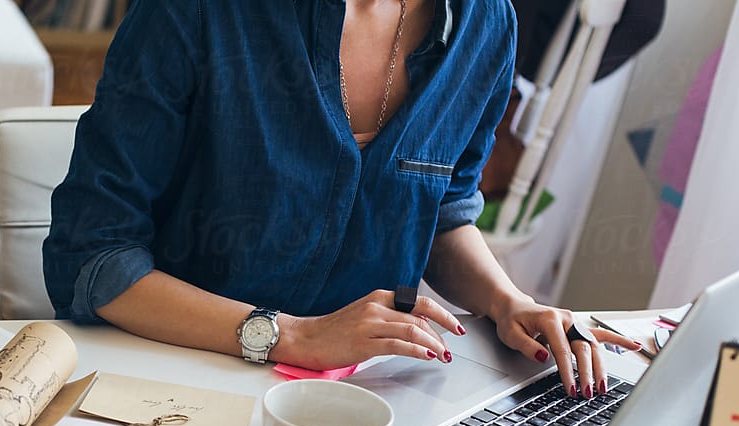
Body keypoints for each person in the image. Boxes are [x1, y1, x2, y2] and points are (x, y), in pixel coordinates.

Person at [44, 0, 642, 398]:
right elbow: (93, 259)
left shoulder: (485, 24)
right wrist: (293, 336)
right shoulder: (196, 12)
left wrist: (508, 301)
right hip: (178, 382)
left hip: (354, 398)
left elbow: (440, 212)